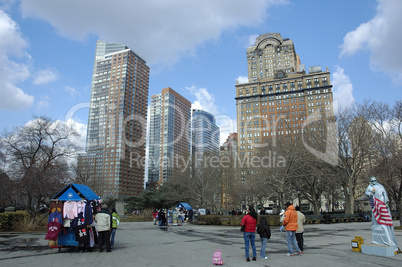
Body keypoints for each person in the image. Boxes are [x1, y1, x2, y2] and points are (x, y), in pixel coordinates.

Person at [365, 176, 400, 252]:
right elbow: (367, 193)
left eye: (374, 180)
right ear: (370, 181)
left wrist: (386, 201)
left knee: (385, 219)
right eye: (372, 180)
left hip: (382, 204)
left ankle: (387, 233)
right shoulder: (369, 187)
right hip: (375, 205)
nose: (374, 181)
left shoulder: (380, 186)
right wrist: (371, 193)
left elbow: (385, 194)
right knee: (376, 219)